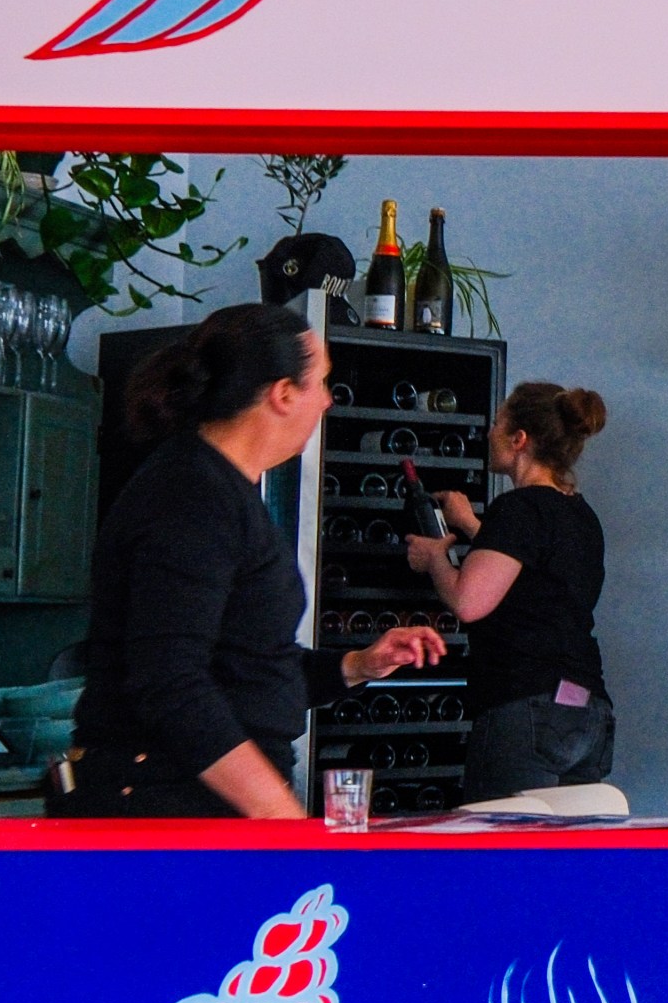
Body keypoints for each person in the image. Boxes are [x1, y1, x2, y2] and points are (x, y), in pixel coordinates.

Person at [62, 303, 442, 817]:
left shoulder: (217, 487)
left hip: (197, 801)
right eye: (323, 383)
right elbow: (170, 683)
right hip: (166, 807)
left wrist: (355, 665)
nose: (329, 401)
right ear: (283, 394)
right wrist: (280, 818)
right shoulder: (191, 496)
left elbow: (243, 669)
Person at [404, 380, 613, 801]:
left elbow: (469, 601)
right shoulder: (580, 513)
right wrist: (469, 524)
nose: (488, 432)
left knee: (499, 854)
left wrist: (434, 560)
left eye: (497, 423)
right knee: (561, 858)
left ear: (519, 440)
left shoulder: (517, 509)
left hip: (525, 707)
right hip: (587, 712)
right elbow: (529, 577)